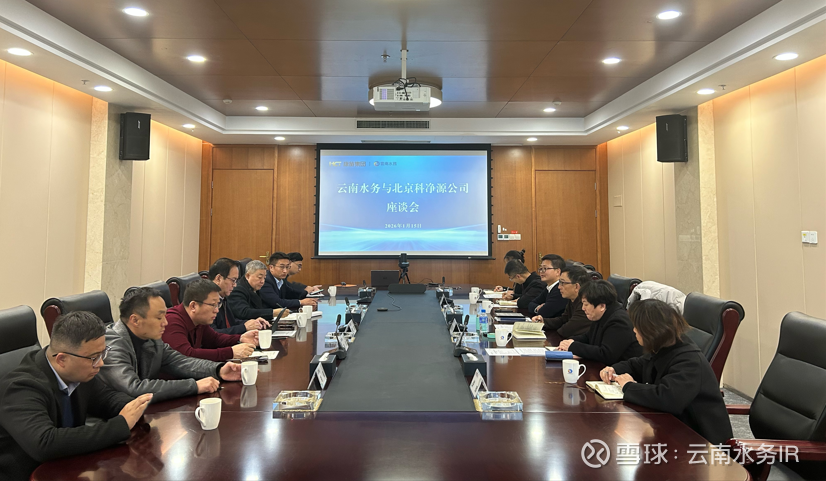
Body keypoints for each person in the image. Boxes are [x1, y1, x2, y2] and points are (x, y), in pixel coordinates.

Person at [0, 311, 152, 481]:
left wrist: (134, 408)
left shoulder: (78, 372)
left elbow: (106, 399)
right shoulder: (20, 387)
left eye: (102, 353)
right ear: (62, 359)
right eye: (94, 357)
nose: (101, 363)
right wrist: (121, 425)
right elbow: (44, 444)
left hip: (69, 467)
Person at [600, 299, 733, 445]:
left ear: (651, 330)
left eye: (637, 327)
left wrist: (628, 386)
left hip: (702, 442)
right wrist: (614, 369)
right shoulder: (666, 346)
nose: (634, 330)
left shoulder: (690, 361)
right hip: (676, 430)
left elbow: (667, 397)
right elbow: (639, 364)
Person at [99, 287, 243, 403]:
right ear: (135, 320)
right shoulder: (111, 344)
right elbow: (133, 388)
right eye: (159, 317)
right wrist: (193, 386)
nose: (166, 322)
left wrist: (218, 370)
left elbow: (180, 362)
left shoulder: (151, 338)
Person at [163, 279, 258, 362]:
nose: (217, 310)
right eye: (213, 305)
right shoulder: (171, 321)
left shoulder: (199, 320)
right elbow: (186, 356)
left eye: (218, 305)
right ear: (193, 306)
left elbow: (214, 339)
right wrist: (230, 352)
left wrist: (240, 338)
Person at [557, 280, 642, 364]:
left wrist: (573, 346)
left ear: (601, 306)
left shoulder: (619, 322)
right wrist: (570, 341)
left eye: (586, 304)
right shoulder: (602, 314)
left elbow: (606, 354)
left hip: (622, 370)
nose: (583, 308)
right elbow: (588, 337)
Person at [207, 257, 270, 335]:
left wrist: (251, 323)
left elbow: (231, 322)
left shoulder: (223, 297)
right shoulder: (206, 301)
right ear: (219, 278)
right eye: (233, 280)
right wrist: (244, 327)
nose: (235, 285)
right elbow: (212, 334)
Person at [532, 265, 592, 337]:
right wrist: (543, 322)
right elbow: (563, 320)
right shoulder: (573, 299)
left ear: (576, 286)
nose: (559, 287)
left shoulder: (586, 304)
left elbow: (567, 330)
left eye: (562, 283)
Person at [528, 254, 568, 318]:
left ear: (558, 271)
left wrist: (540, 309)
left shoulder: (560, 290)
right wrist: (538, 308)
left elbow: (544, 313)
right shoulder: (549, 287)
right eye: (541, 268)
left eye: (545, 268)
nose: (541, 272)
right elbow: (530, 304)